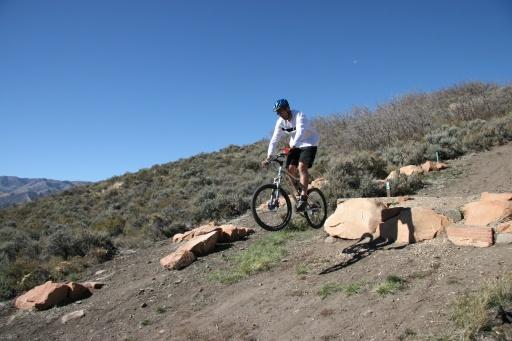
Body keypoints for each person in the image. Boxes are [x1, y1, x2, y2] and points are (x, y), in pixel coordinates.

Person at [262, 98, 320, 211]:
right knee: (290, 170)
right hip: (295, 144)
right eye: (277, 112)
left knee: (301, 167)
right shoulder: (280, 122)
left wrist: (291, 148)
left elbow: (300, 132)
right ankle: (298, 194)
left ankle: (304, 196)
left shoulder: (299, 115)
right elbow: (274, 139)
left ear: (287, 108)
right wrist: (269, 156)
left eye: (281, 111)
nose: (279, 114)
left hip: (309, 142)